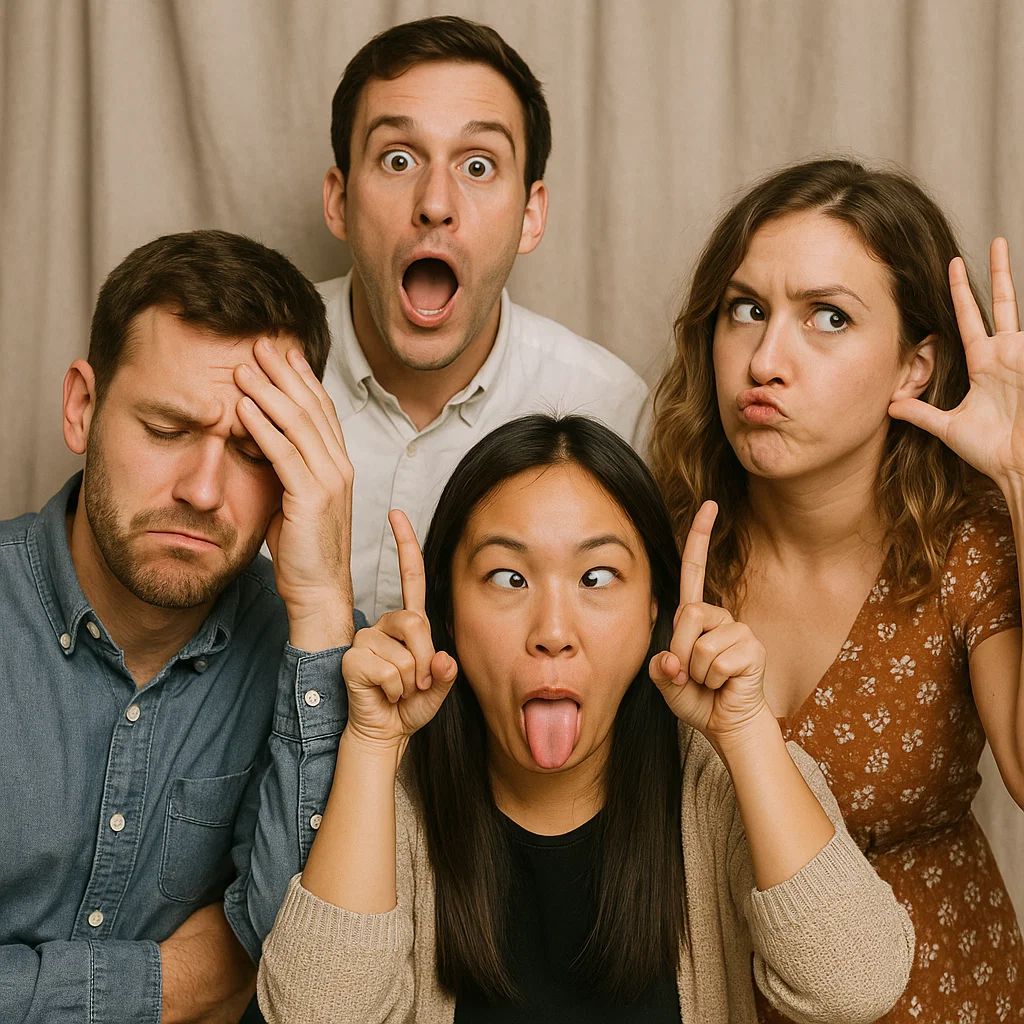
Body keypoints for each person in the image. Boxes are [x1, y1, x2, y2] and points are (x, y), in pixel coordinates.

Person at [256, 414, 914, 1024]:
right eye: (508, 579)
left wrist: (745, 736)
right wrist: (371, 747)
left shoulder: (721, 783)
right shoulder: (395, 796)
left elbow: (855, 986)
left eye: (597, 577)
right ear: (446, 610)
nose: (552, 632)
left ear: (654, 607)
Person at [649, 158, 1024, 1022]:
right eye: (747, 310)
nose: (766, 360)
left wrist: (1019, 481)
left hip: (938, 991)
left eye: (828, 317)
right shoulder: (658, 539)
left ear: (914, 368)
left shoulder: (966, 545)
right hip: (718, 992)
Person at [0, 229, 363, 1024]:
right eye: (167, 430)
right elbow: (231, 974)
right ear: (82, 408)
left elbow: (300, 966)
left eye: (252, 449)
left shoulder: (322, 656)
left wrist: (325, 603)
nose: (203, 490)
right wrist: (183, 982)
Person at [317, 15, 650, 619]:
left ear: (530, 215)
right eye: (397, 160)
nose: (436, 204)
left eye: (477, 166)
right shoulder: (252, 369)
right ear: (340, 202)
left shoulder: (611, 407)